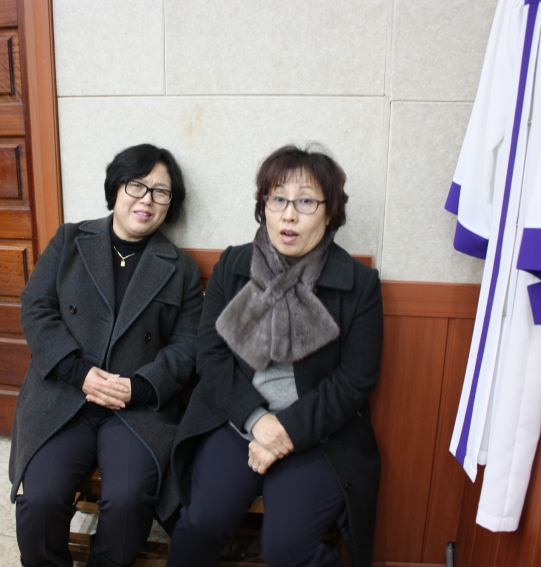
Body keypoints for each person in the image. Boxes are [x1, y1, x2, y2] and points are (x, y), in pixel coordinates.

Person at [163, 145, 383, 567]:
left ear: (330, 212)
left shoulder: (358, 284)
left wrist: (285, 431)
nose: (289, 215)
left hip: (319, 432)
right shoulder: (235, 265)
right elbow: (210, 355)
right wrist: (257, 421)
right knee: (200, 526)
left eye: (306, 201)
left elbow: (354, 382)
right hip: (235, 417)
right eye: (278, 199)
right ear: (263, 206)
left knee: (287, 550)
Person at [9, 144, 203, 567]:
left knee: (130, 499)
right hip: (65, 395)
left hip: (136, 408)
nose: (147, 200)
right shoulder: (70, 241)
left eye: (161, 192)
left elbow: (187, 345)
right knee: (41, 499)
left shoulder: (181, 269)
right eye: (137, 185)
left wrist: (140, 387)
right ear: (116, 187)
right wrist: (79, 372)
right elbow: (36, 308)